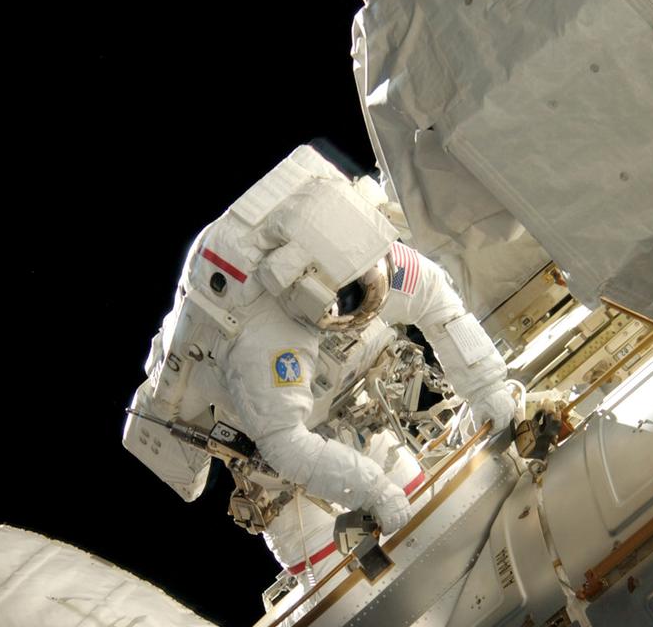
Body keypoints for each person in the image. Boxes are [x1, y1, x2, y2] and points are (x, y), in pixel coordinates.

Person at [124, 146, 516, 586]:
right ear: (309, 297)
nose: (365, 307)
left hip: (353, 424)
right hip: (282, 485)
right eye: (349, 303)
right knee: (347, 589)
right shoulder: (267, 336)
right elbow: (284, 443)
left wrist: (486, 386)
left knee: (435, 520)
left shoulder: (370, 257)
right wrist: (372, 490)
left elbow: (438, 304)